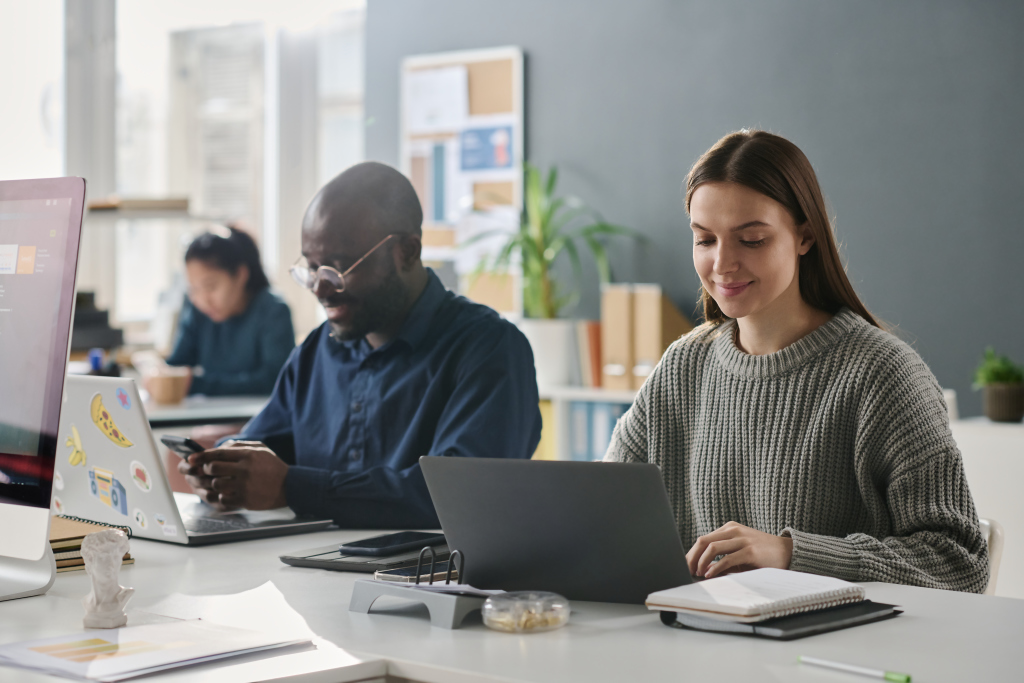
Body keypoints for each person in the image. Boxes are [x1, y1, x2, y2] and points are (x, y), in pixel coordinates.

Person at [605, 130, 989, 592]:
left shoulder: (882, 373)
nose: (722, 263)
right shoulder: (684, 365)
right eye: (705, 239)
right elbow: (603, 515)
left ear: (805, 236)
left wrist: (790, 554)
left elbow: (960, 562)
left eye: (751, 239)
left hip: (833, 655)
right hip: (696, 645)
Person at [178, 161, 542, 528]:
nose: (320, 288)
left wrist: (294, 488)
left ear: (407, 252)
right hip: (310, 571)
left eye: (338, 268)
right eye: (312, 268)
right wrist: (223, 472)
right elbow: (261, 445)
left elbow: (460, 496)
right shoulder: (317, 351)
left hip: (430, 578)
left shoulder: (488, 350)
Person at [164, 226, 295, 396]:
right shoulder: (197, 310)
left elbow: (274, 380)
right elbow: (178, 364)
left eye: (210, 287)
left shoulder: (273, 311)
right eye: (194, 289)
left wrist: (196, 384)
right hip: (211, 418)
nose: (203, 300)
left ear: (240, 275)